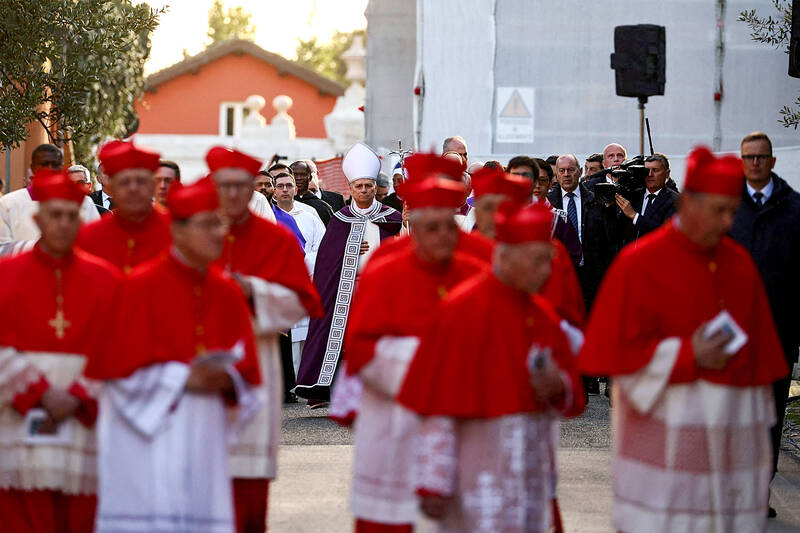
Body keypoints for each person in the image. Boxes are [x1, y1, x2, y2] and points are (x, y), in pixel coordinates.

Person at [579, 146, 789, 532]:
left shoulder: (739, 263)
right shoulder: (638, 264)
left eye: (733, 211)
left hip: (728, 447)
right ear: (689, 202)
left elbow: (764, 366)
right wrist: (687, 355)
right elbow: (613, 360)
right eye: (717, 211)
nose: (727, 222)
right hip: (661, 442)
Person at [397, 203, 586, 533]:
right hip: (477, 470)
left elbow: (570, 394)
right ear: (507, 255)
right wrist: (433, 481)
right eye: (538, 260)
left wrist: (558, 387)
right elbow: (437, 407)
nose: (547, 271)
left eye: (549, 261)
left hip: (530, 471)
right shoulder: (461, 309)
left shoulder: (542, 314)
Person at [88, 177, 262, 533]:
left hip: (205, 432)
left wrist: (230, 379)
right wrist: (184, 378)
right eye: (208, 225)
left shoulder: (227, 292)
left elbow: (248, 370)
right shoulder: (137, 288)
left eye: (220, 224)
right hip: (144, 437)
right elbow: (114, 372)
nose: (219, 234)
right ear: (178, 231)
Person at [333, 175, 486, 533]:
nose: (442, 236)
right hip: (392, 414)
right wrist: (428, 364)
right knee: (387, 517)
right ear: (410, 221)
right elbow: (361, 346)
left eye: (449, 225)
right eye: (430, 226)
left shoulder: (477, 271)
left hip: (457, 416)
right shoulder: (385, 269)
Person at [206, 146, 323, 533]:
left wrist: (252, 291)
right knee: (202, 469)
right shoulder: (193, 236)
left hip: (258, 357)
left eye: (242, 186)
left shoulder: (277, 241)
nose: (234, 195)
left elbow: (301, 302)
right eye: (226, 186)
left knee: (250, 474)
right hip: (200, 362)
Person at [0, 169, 119, 533]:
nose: (64, 224)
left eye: (73, 215)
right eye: (56, 214)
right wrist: (38, 393)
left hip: (82, 420)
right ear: (37, 218)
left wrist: (78, 396)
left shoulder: (106, 279)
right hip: (18, 420)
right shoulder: (6, 274)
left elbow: (118, 347)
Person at [295, 142, 403, 407]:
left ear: (376, 187)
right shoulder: (340, 219)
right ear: (351, 188)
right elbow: (326, 262)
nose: (364, 190)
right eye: (359, 186)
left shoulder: (394, 217)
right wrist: (349, 252)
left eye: (368, 185)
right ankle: (341, 393)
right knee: (347, 341)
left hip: (384, 291)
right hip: (349, 291)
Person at [729, 131, 800, 517]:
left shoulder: (794, 210)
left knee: (769, 414)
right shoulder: (726, 210)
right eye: (748, 157)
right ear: (741, 162)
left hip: (777, 332)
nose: (755, 163)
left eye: (761, 157)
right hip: (731, 336)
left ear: (772, 161)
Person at [76, 140, 171, 274]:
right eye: (124, 182)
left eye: (140, 181)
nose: (133, 189)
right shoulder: (89, 236)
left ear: (152, 185)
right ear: (112, 186)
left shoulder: (175, 232)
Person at [0, 144, 100, 254]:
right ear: (32, 167)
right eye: (44, 164)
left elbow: (96, 242)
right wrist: (39, 247)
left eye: (55, 164)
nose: (49, 168)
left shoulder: (83, 203)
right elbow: (2, 248)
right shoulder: (8, 204)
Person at [547, 154, 612, 310]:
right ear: (556, 174)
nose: (566, 175)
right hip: (560, 275)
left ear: (580, 171)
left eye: (571, 170)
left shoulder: (597, 200)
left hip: (591, 275)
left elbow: (608, 238)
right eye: (561, 171)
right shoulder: (548, 203)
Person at [615, 153, 679, 244]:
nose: (650, 174)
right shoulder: (634, 196)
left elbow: (665, 233)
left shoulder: (675, 200)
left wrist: (635, 216)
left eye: (655, 170)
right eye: (646, 170)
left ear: (667, 173)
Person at [532, 158, 582, 266]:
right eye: (533, 180)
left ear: (550, 183)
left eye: (543, 180)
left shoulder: (560, 217)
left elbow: (574, 255)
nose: (537, 185)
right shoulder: (512, 215)